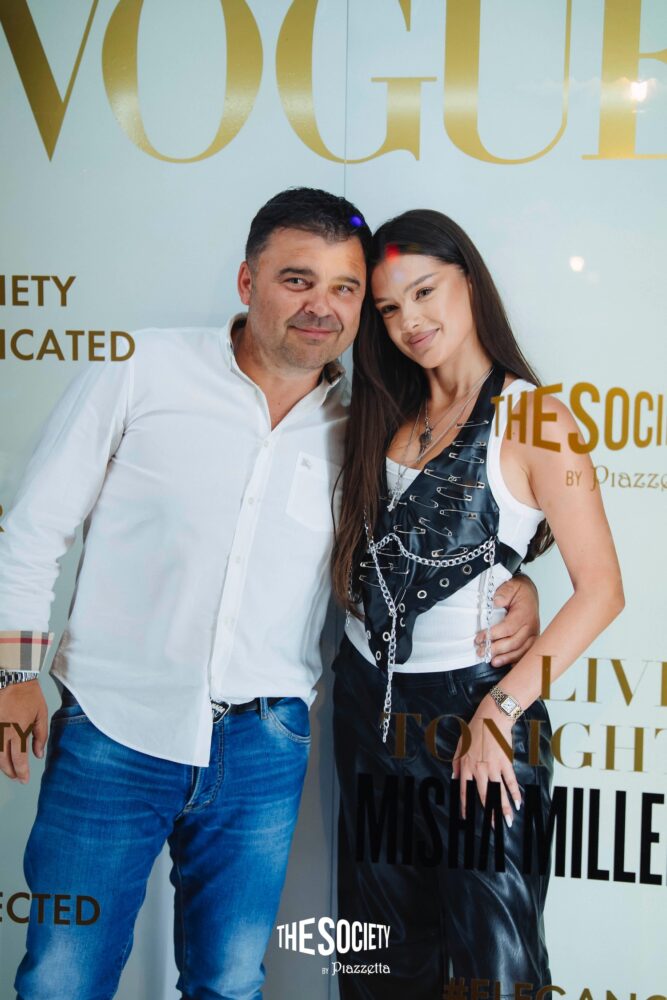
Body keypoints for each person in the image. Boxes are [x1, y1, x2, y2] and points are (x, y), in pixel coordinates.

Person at [0, 190, 539, 1000]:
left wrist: (515, 582)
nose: (321, 306)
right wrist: (13, 674)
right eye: (296, 280)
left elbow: (427, 544)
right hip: (112, 733)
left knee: (228, 983)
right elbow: (33, 528)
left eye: (345, 288)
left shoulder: (368, 427)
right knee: (61, 979)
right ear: (247, 281)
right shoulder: (141, 371)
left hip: (263, 748)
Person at [331, 209, 624, 998]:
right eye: (389, 308)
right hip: (368, 709)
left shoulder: (535, 418)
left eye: (424, 291)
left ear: (469, 280)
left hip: (476, 711)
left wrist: (498, 711)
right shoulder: (383, 408)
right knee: (376, 960)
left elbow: (602, 590)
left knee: (491, 966)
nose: (409, 321)